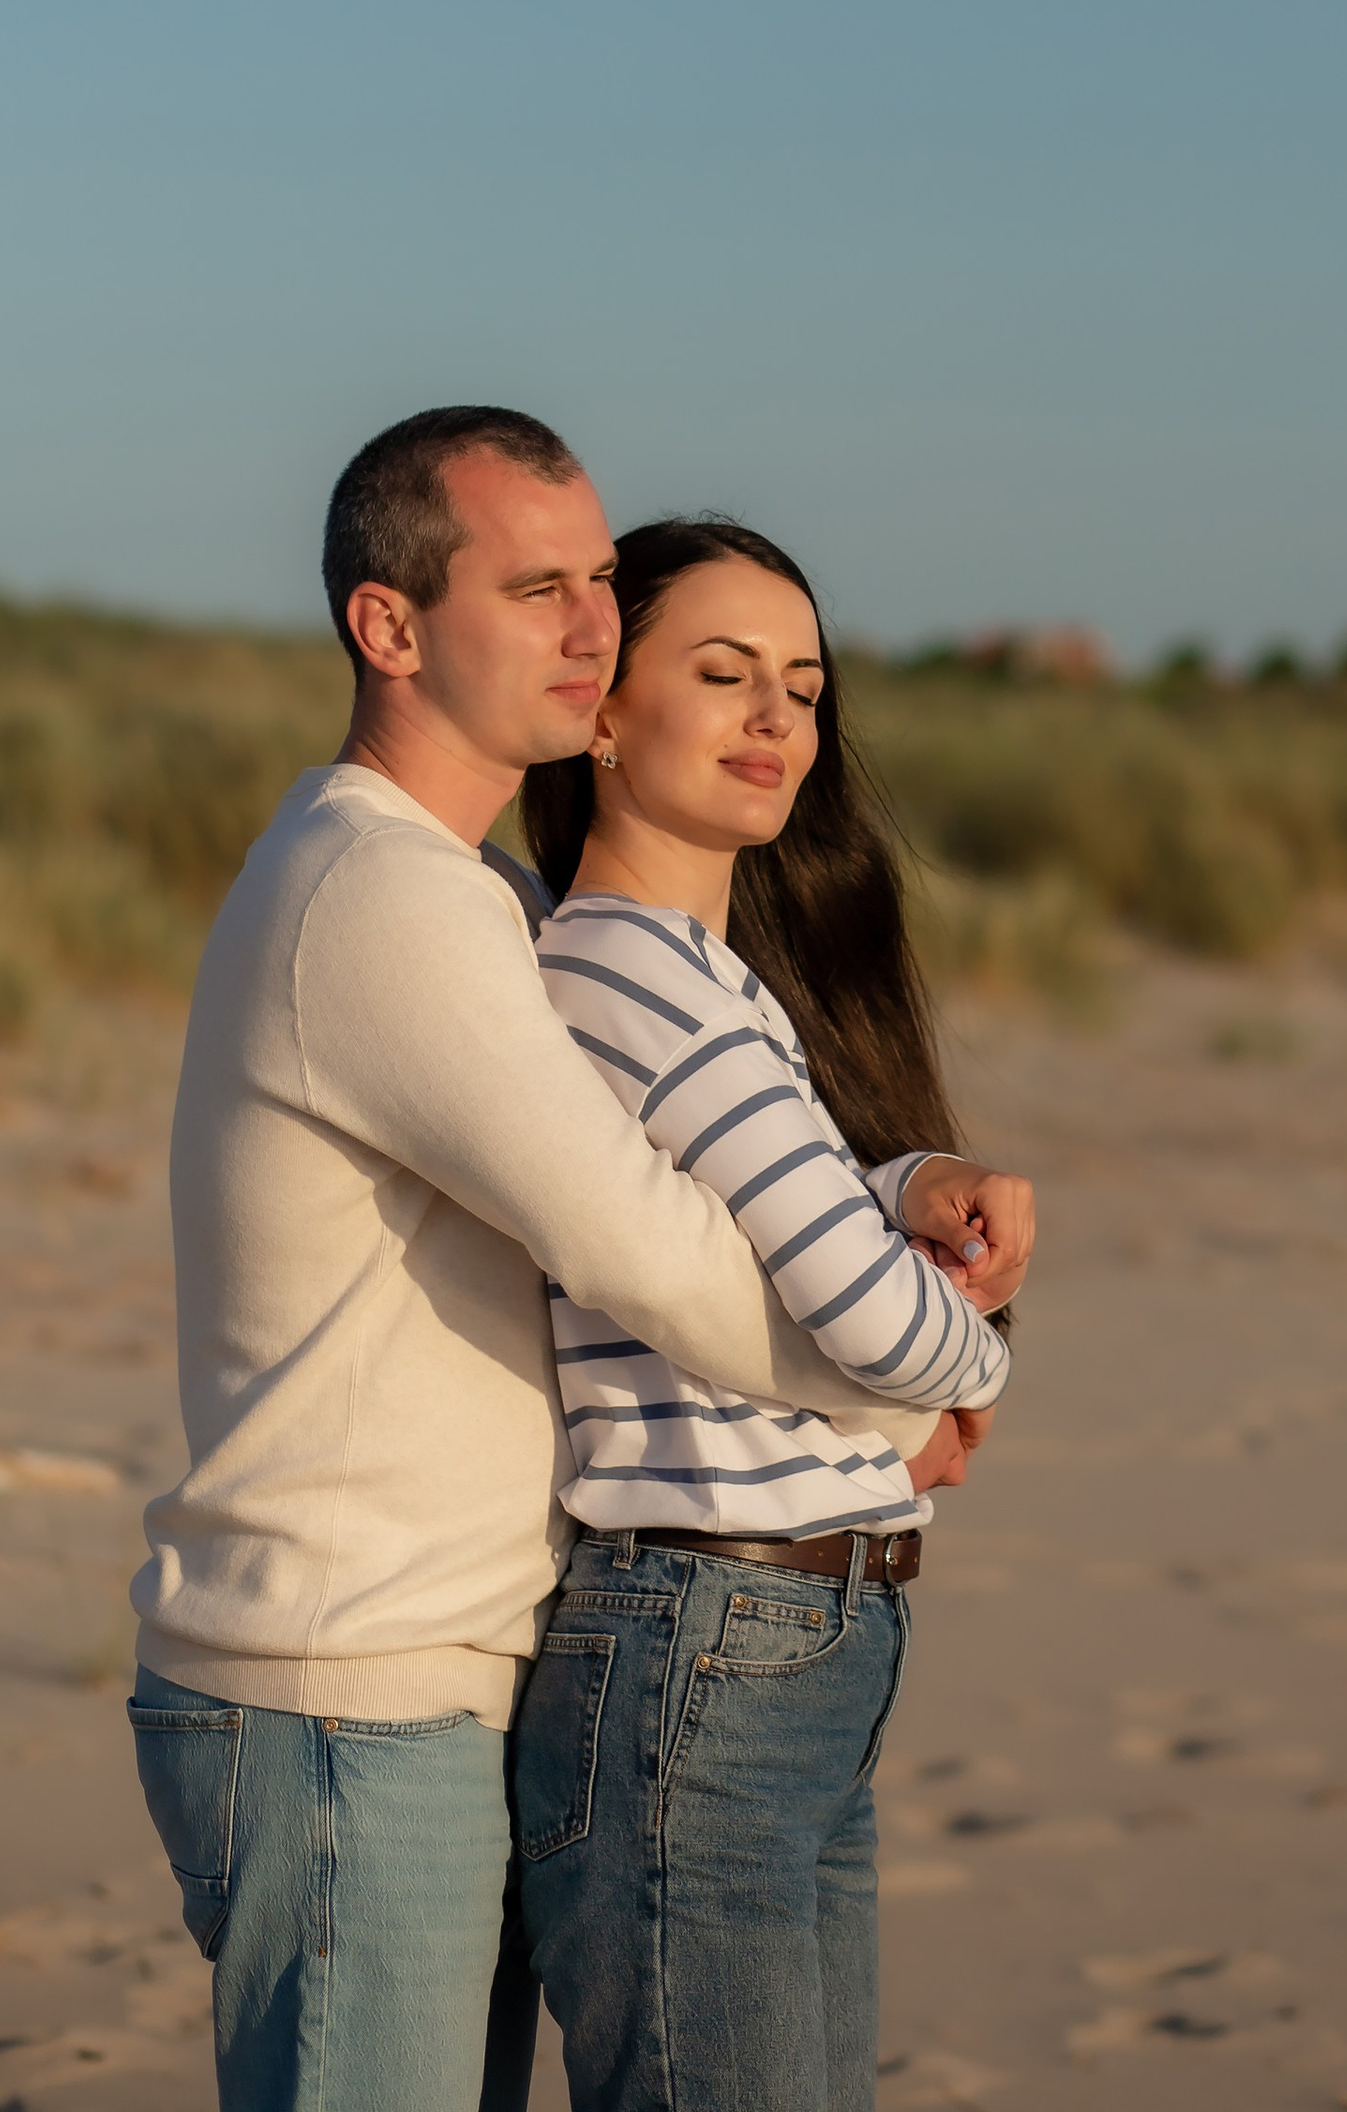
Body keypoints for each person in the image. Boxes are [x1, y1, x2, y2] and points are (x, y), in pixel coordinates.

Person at [129, 411, 1027, 2112]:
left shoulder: (472, 905)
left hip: (431, 1671)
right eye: (536, 588)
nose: (590, 626)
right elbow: (657, 1247)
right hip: (343, 1684)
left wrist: (895, 1186)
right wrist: (940, 1381)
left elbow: (681, 1185)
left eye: (602, 582)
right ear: (387, 628)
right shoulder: (381, 897)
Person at [509, 517, 1029, 2112]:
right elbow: (876, 1328)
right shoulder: (633, 972)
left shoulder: (714, 987)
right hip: (702, 1653)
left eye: (801, 687)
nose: (775, 721)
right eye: (722, 675)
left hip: (784, 1654)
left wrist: (911, 1180)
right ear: (598, 712)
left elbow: (781, 1210)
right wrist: (973, 1370)